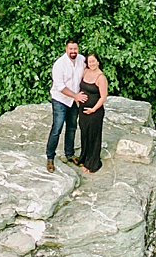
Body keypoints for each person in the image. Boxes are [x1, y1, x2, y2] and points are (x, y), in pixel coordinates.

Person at [46, 38, 86, 171]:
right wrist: (76, 96)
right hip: (61, 99)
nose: (73, 51)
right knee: (57, 128)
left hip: (74, 99)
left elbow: (86, 76)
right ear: (66, 49)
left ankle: (70, 154)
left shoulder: (82, 60)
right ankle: (50, 157)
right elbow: (60, 86)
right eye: (71, 49)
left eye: (75, 49)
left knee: (72, 127)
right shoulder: (59, 64)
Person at [76, 52, 109, 173]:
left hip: (95, 112)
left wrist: (93, 109)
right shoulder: (85, 72)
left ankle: (93, 164)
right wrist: (76, 97)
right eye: (89, 62)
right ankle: (85, 159)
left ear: (98, 62)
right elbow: (79, 87)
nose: (92, 64)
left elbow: (103, 97)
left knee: (93, 137)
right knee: (85, 135)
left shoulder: (101, 77)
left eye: (93, 61)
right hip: (83, 110)